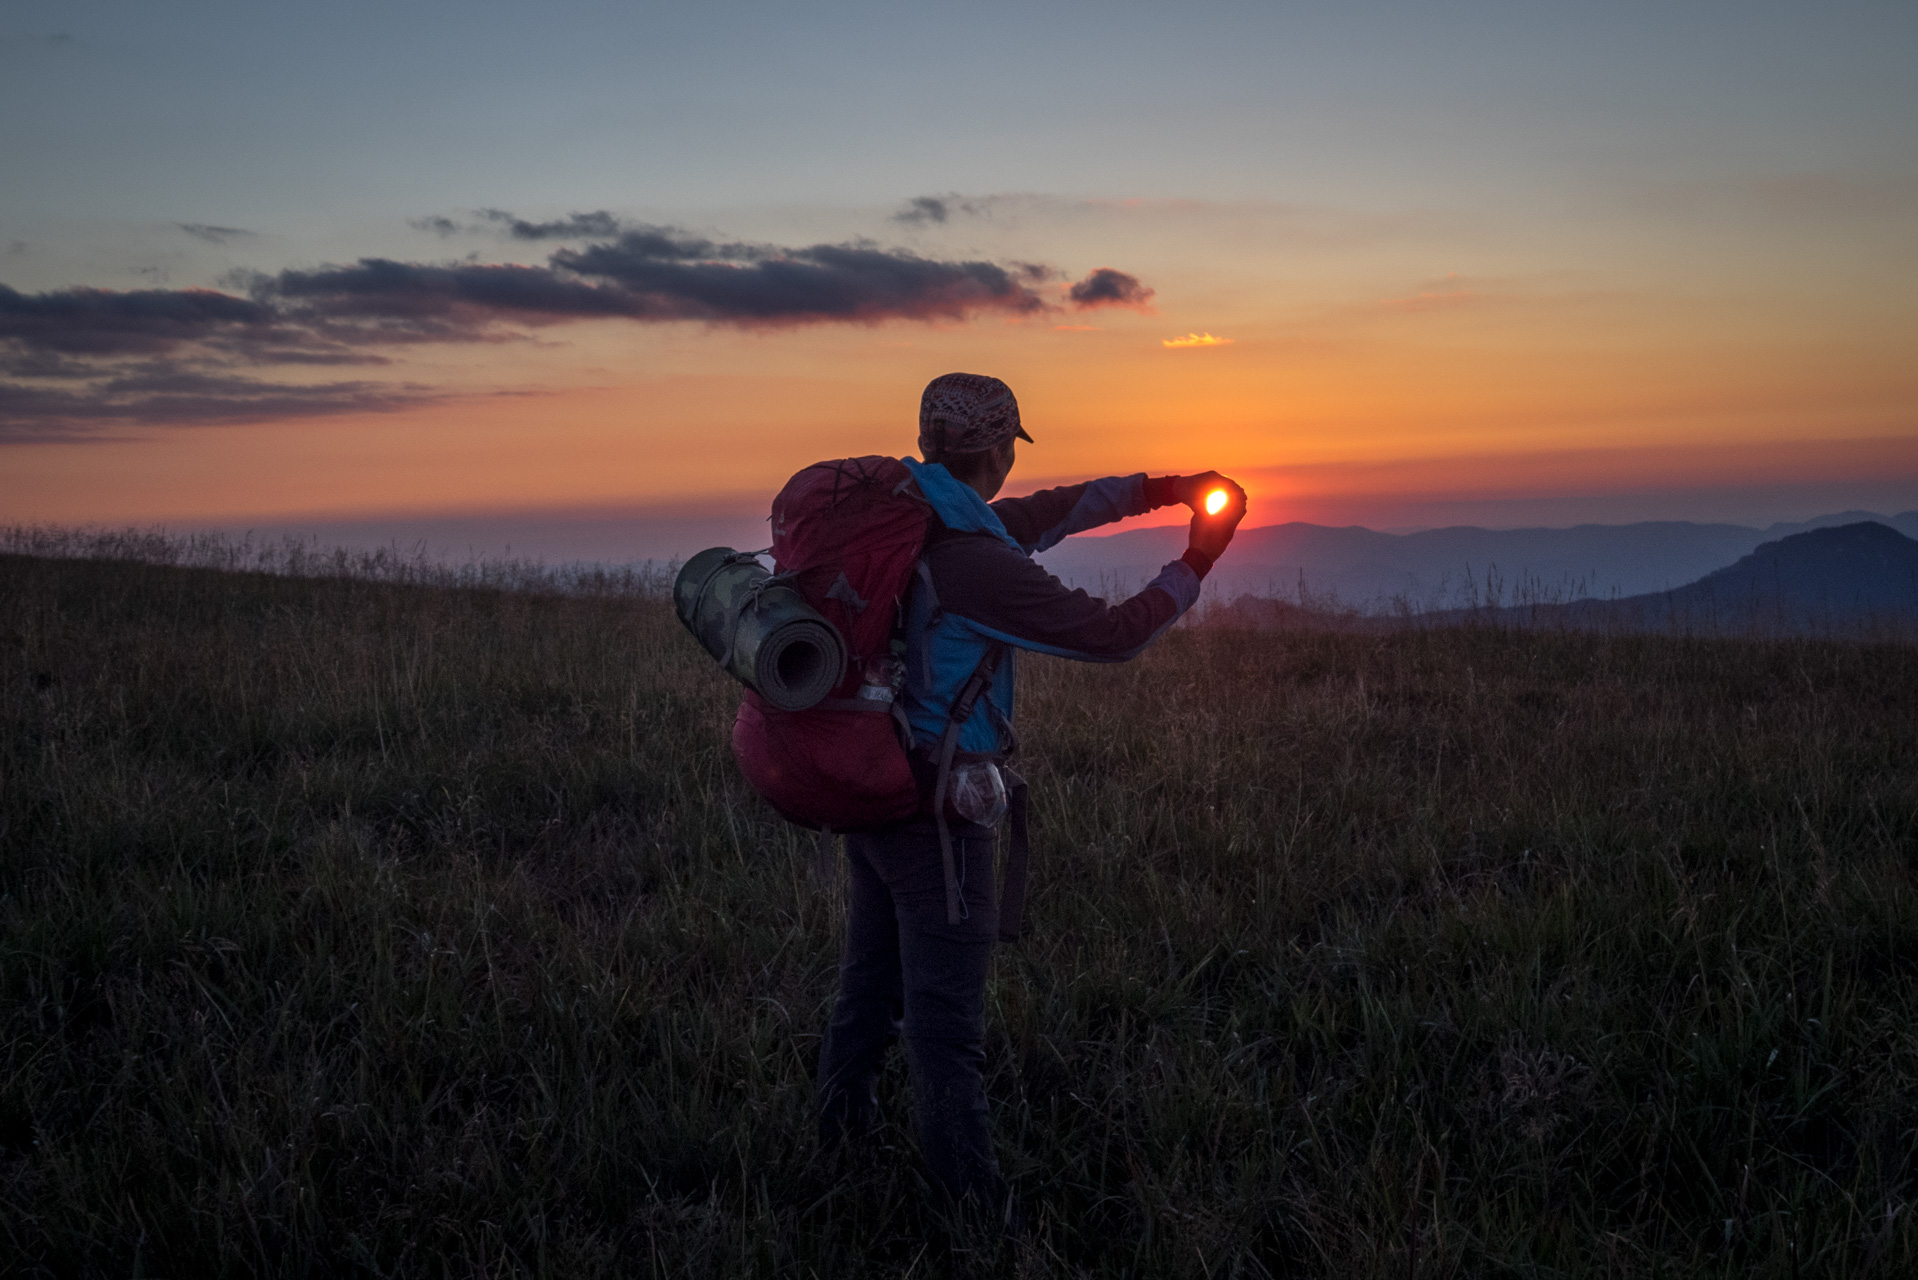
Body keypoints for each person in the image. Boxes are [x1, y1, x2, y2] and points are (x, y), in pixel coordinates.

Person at [814, 372, 1246, 1225]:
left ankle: (841, 1152)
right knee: (946, 1032)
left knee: (869, 989)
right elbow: (1113, 636)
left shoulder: (922, 520)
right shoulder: (975, 562)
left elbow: (1053, 511)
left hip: (875, 787)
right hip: (939, 816)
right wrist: (1198, 558)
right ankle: (976, 1222)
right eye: (1013, 445)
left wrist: (1163, 489)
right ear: (997, 449)